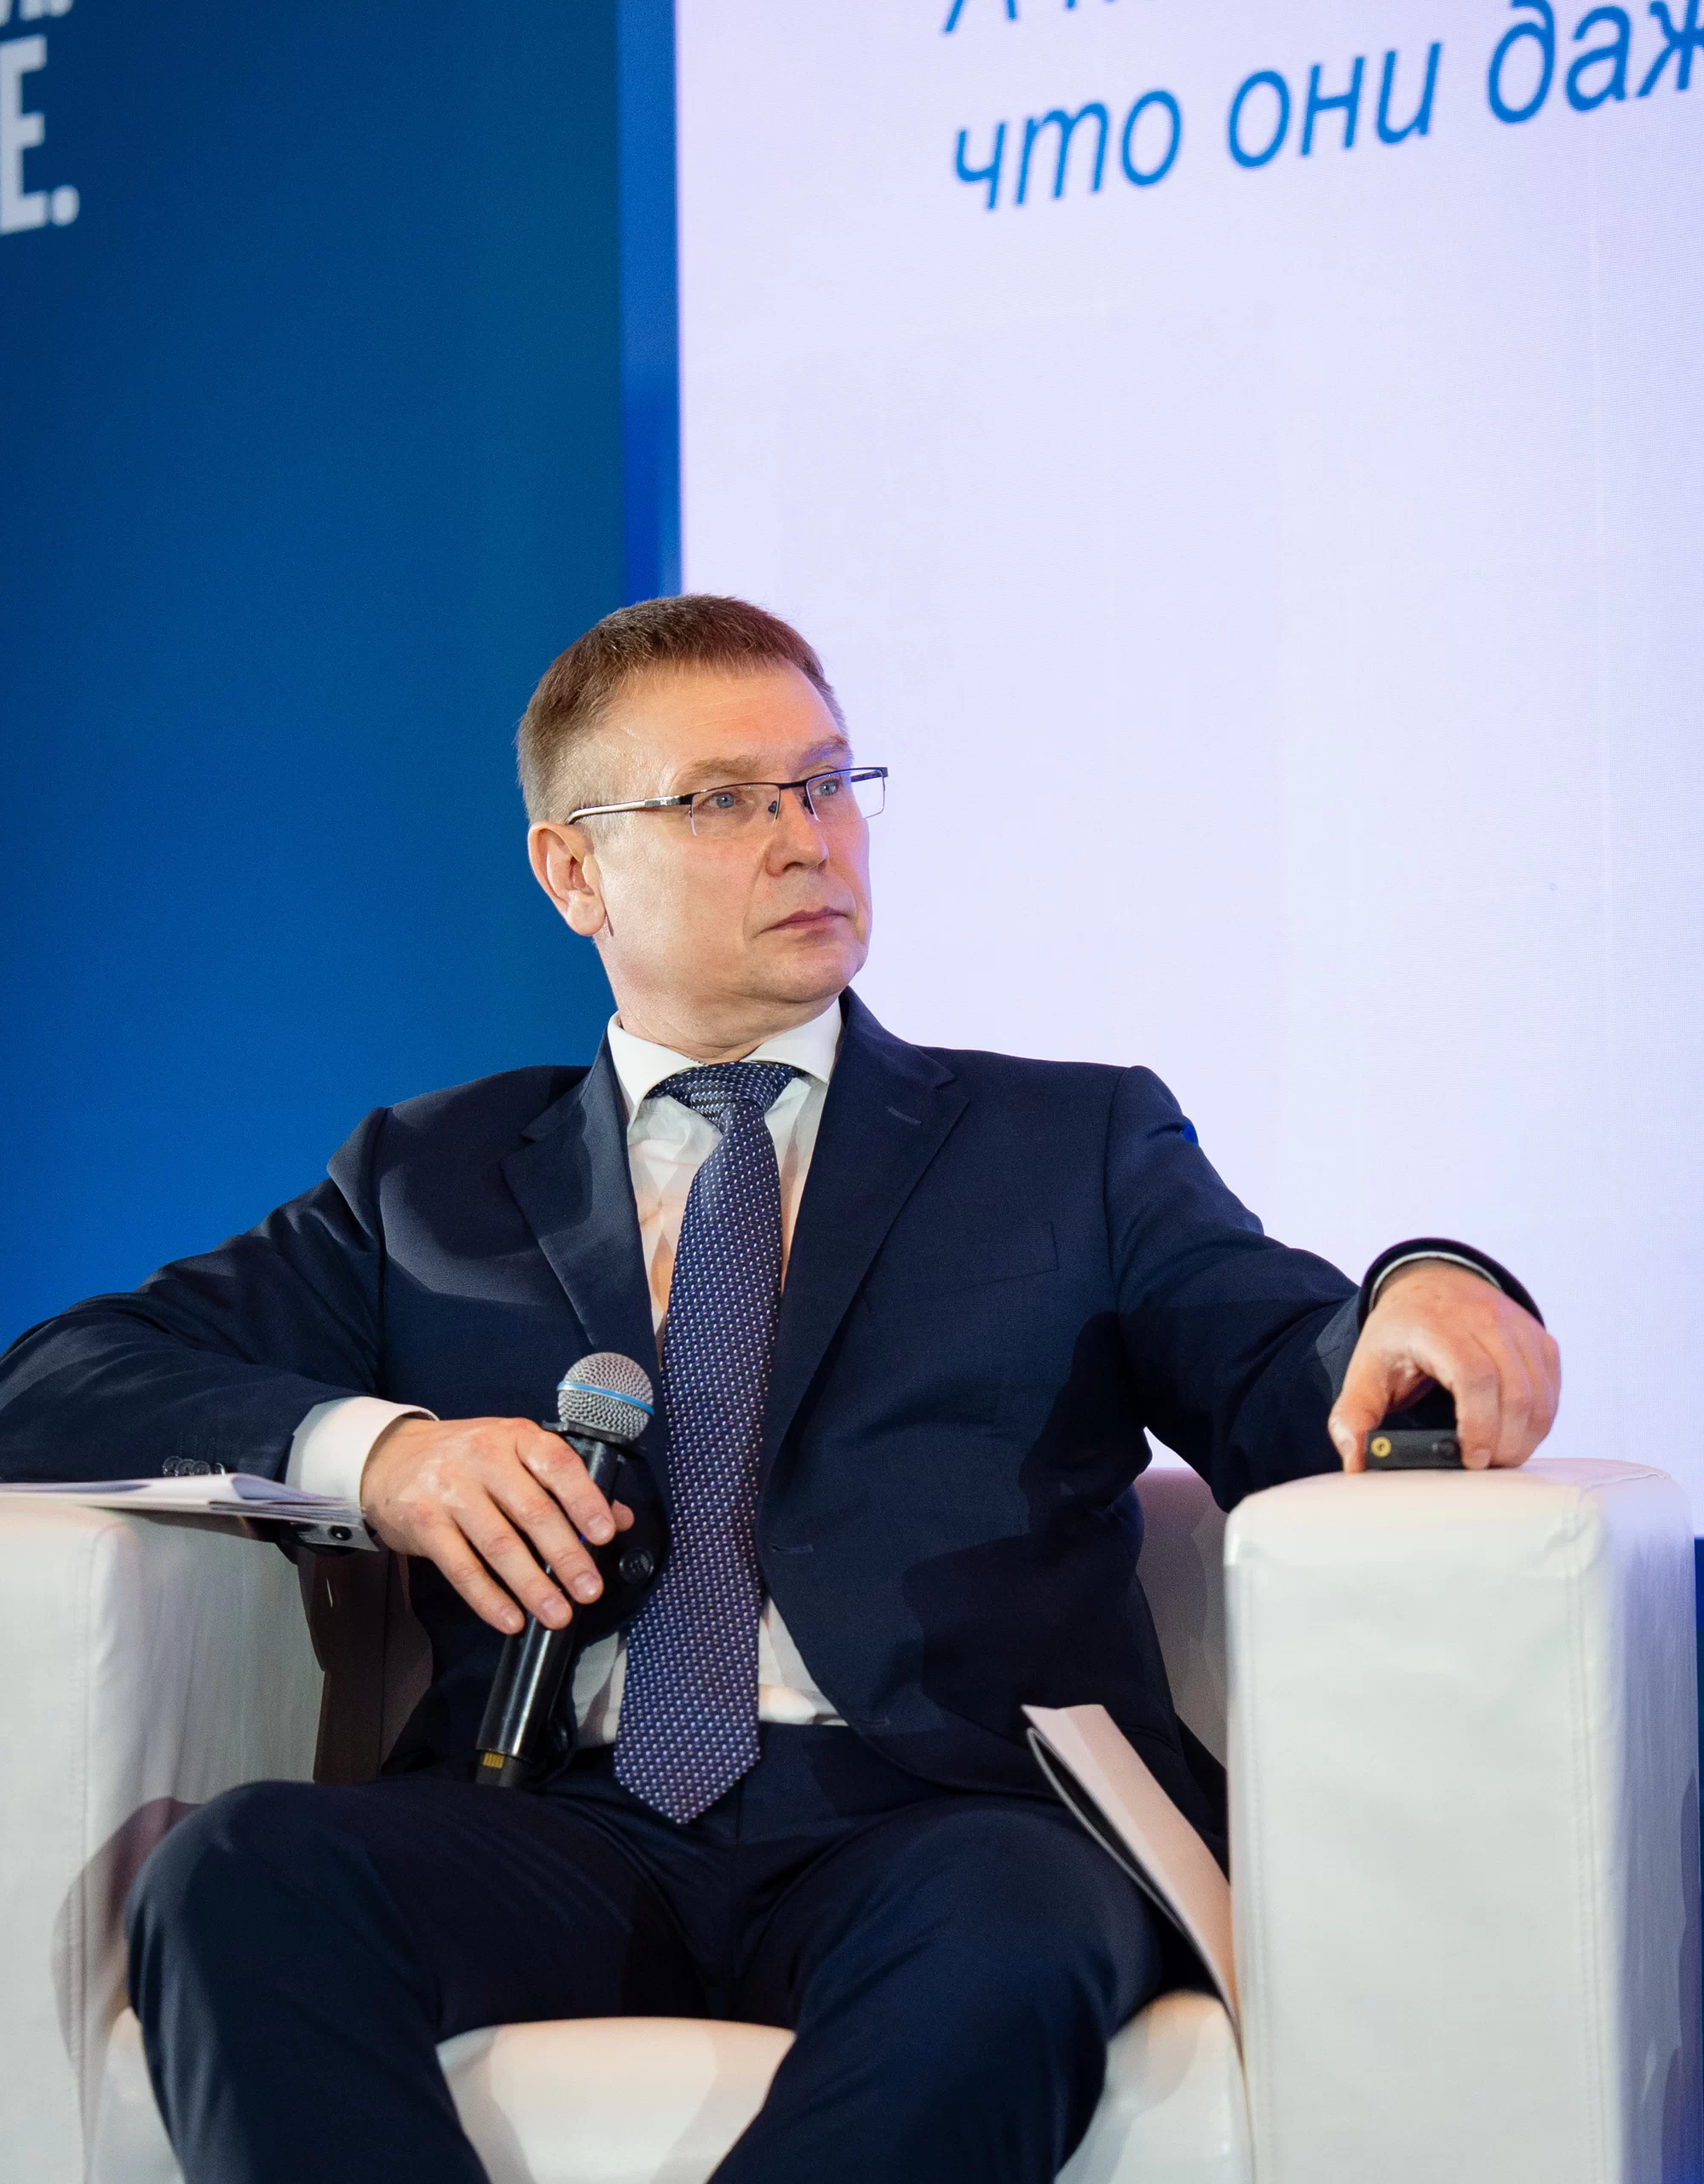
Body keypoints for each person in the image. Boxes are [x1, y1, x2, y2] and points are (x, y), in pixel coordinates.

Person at [0, 594, 1558, 2184]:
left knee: (1009, 1923)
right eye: (723, 800)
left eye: (826, 782)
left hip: (948, 1819)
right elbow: (52, 1381)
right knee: (239, 1870)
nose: (807, 838)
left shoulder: (1070, 1145)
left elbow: (1291, 1371)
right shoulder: (432, 1180)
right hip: (560, 1814)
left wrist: (1423, 1286)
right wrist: (383, 1456)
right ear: (572, 869)